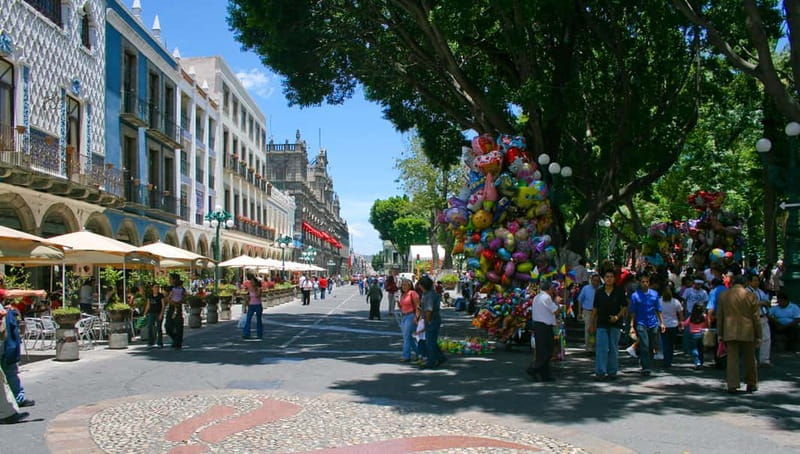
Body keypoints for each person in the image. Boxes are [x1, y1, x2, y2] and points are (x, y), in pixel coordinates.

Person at [716, 275, 762, 393]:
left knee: (732, 359)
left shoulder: (724, 295)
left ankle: (732, 384)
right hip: (748, 330)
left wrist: (720, 333)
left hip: (729, 330)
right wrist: (759, 335)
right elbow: (756, 318)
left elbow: (719, 316)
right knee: (750, 359)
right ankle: (751, 383)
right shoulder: (751, 295)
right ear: (745, 283)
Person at [589, 270, 628, 380]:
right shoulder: (599, 291)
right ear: (604, 278)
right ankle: (600, 372)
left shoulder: (619, 291)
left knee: (613, 348)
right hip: (601, 322)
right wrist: (592, 323)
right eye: (607, 276)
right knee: (601, 348)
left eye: (611, 276)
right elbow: (595, 308)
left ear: (614, 279)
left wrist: (617, 316)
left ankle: (612, 371)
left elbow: (624, 306)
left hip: (615, 323)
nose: (609, 278)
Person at [629, 274, 665, 376]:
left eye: (647, 282)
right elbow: (633, 312)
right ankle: (646, 367)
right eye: (643, 282)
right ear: (640, 283)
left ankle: (646, 361)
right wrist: (632, 325)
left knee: (651, 345)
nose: (645, 284)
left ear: (649, 283)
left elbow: (658, 309)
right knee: (644, 344)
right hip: (641, 323)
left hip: (653, 323)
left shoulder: (654, 294)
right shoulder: (635, 296)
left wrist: (662, 323)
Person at [527, 280, 559, 382]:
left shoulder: (537, 297)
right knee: (547, 351)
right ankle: (533, 369)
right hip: (544, 327)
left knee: (542, 351)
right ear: (549, 289)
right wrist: (557, 301)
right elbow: (556, 311)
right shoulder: (547, 298)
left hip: (538, 325)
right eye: (553, 288)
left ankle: (545, 374)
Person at [419, 276, 445, 369]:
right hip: (434, 319)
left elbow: (429, 309)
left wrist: (428, 320)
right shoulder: (430, 293)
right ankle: (440, 357)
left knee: (430, 341)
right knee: (432, 340)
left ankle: (432, 361)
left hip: (431, 319)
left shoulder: (428, 295)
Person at [747, 274, 772, 366]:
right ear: (749, 282)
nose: (756, 282)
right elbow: (749, 303)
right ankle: (751, 360)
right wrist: (761, 303)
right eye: (754, 280)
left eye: (757, 280)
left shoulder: (760, 291)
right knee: (752, 340)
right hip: (752, 318)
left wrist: (766, 303)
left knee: (766, 339)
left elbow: (766, 301)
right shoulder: (747, 291)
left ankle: (764, 360)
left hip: (763, 316)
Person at [659, 288, 683, 368]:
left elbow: (657, 312)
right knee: (671, 344)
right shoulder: (675, 302)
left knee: (665, 343)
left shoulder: (659, 301)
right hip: (673, 325)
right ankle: (669, 359)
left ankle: (666, 360)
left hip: (663, 325)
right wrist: (681, 323)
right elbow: (680, 313)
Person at [397, 278, 420, 362]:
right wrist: (399, 304)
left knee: (406, 337)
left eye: (406, 285)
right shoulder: (403, 295)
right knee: (409, 338)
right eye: (402, 285)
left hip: (411, 316)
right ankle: (419, 353)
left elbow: (418, 306)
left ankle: (406, 356)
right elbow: (402, 307)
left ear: (410, 285)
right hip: (404, 316)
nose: (404, 286)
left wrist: (416, 317)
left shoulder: (412, 293)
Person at [577, 274, 600, 353]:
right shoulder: (586, 288)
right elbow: (580, 300)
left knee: (598, 330)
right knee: (588, 330)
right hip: (587, 311)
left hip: (599, 313)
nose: (595, 282)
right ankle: (589, 349)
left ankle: (596, 348)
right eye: (594, 280)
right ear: (591, 280)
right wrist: (579, 313)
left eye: (597, 281)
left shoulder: (601, 289)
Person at [682, 303, 708, 369]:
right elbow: (707, 324)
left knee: (694, 348)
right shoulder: (704, 316)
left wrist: (680, 323)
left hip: (693, 335)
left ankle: (697, 362)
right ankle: (701, 362)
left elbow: (685, 324)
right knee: (701, 349)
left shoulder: (691, 317)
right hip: (702, 334)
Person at [165, 276, 185, 350]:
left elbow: (184, 298)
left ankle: (178, 343)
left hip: (178, 309)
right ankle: (175, 339)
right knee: (168, 326)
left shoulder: (181, 289)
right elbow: (166, 298)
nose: (169, 280)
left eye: (170, 279)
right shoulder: (169, 288)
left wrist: (179, 302)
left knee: (179, 326)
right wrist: (171, 302)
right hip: (171, 308)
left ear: (174, 280)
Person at [143, 284, 165, 348]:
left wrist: (161, 314)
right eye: (155, 287)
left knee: (159, 328)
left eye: (157, 287)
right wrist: (144, 313)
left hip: (158, 313)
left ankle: (160, 343)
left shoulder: (161, 296)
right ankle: (150, 342)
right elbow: (148, 305)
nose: (156, 288)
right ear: (152, 288)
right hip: (151, 313)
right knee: (149, 327)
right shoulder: (150, 296)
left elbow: (163, 305)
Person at [242, 274, 263, 339]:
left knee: (258, 320)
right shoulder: (249, 289)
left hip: (258, 305)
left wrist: (253, 290)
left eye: (252, 282)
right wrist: (245, 306)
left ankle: (259, 334)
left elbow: (258, 295)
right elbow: (248, 298)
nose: (251, 283)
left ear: (256, 282)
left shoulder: (259, 289)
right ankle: (246, 333)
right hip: (251, 305)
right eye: (251, 282)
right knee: (248, 320)